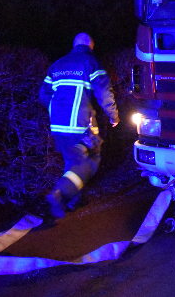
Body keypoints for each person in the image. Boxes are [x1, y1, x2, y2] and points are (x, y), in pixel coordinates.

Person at [39, 33, 119, 219]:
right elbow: (104, 91)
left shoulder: (57, 65)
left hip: (58, 125)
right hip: (81, 125)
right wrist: (113, 115)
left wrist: (57, 110)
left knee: (73, 160)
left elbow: (43, 94)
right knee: (91, 160)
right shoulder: (90, 61)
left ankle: (74, 200)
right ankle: (61, 193)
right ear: (91, 46)